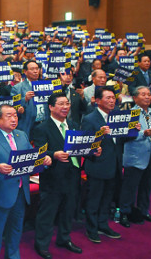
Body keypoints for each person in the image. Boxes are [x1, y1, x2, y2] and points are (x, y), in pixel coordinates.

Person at [0, 104, 52, 259]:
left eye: (15, 115)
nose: (14, 119)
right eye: (9, 115)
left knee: (16, 229)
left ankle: (13, 256)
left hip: (20, 191)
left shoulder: (22, 135)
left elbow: (28, 159)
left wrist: (42, 160)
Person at [32, 93, 100, 258]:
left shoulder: (74, 124)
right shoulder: (41, 128)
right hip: (53, 177)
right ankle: (41, 244)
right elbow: (39, 151)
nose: (65, 107)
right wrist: (54, 154)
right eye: (61, 104)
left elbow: (81, 147)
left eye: (67, 103)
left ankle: (64, 238)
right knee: (48, 213)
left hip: (73, 174)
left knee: (68, 210)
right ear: (51, 107)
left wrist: (93, 152)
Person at [81, 87, 123, 243]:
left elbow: (122, 140)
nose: (112, 101)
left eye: (113, 98)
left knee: (107, 198)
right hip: (97, 164)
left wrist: (132, 130)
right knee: (94, 199)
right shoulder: (90, 119)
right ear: (97, 101)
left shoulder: (118, 117)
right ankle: (91, 229)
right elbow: (85, 145)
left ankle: (103, 224)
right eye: (108, 98)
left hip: (114, 163)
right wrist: (99, 134)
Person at [119, 86, 151, 227]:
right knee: (130, 186)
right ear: (135, 98)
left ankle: (144, 210)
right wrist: (143, 134)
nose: (147, 97)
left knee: (147, 184)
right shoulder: (129, 114)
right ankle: (124, 213)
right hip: (136, 154)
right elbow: (125, 135)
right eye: (143, 94)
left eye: (149, 95)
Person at [11, 60, 44, 136]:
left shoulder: (45, 85)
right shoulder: (17, 88)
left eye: (37, 69)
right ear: (25, 72)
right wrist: (25, 99)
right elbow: (14, 107)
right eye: (32, 69)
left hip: (44, 123)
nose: (35, 71)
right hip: (28, 124)